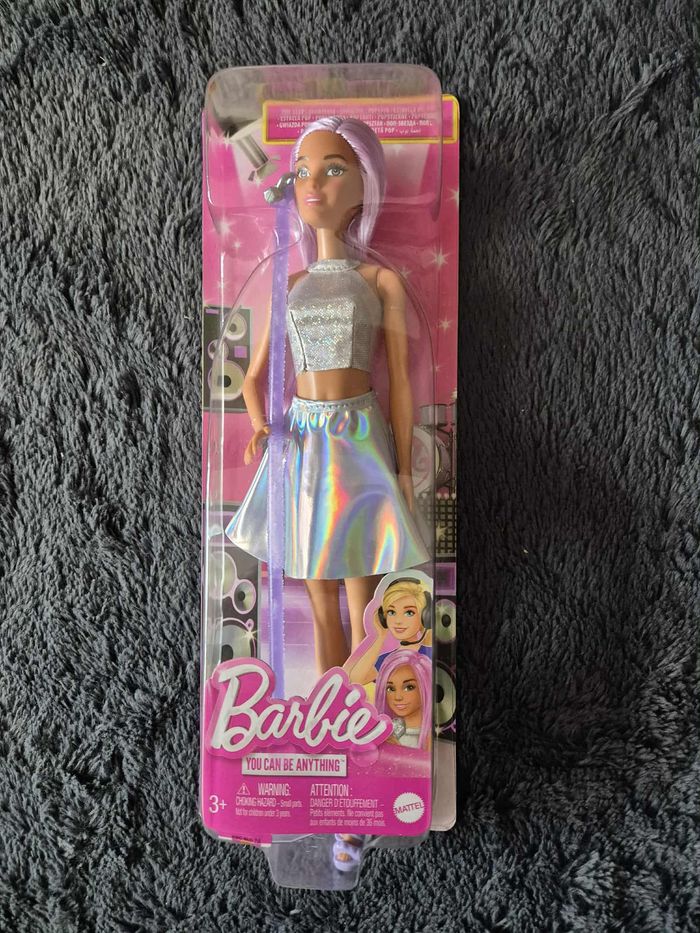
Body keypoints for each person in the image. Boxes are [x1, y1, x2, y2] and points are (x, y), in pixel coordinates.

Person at [225, 116, 429, 674]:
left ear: (365, 184)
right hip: (303, 442)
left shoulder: (378, 281)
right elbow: (251, 377)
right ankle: (327, 706)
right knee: (320, 598)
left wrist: (404, 469)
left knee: (363, 595)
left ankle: (364, 701)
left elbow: (402, 382)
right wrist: (261, 428)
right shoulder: (288, 285)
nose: (313, 183)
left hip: (359, 439)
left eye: (334, 170)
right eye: (301, 171)